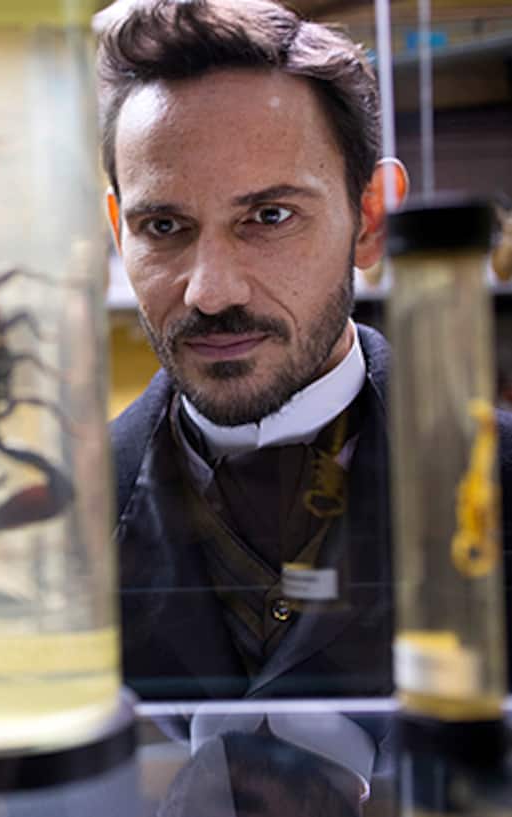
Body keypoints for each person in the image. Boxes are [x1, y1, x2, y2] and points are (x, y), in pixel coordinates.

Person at [96, 0, 512, 700]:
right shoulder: (50, 525)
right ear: (118, 230)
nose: (209, 291)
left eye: (268, 216)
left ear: (370, 217)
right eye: (163, 224)